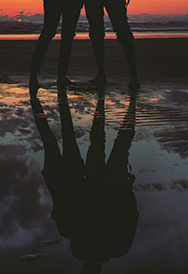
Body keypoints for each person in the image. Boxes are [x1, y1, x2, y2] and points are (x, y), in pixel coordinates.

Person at [29, 85, 139, 273]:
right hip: (100, 184)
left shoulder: (117, 249)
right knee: (103, 140)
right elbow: (129, 217)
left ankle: (125, 105)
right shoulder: (87, 249)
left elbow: (132, 216)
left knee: (116, 142)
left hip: (108, 186)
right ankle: (112, 103)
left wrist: (127, 190)